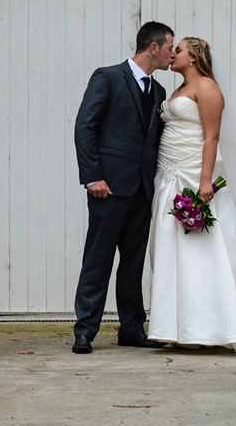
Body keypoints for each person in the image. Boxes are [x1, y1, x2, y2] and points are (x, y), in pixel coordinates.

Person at [148, 37, 236, 351]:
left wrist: (205, 180)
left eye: (178, 49)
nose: (172, 54)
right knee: (173, 248)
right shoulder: (176, 90)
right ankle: (179, 325)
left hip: (193, 174)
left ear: (193, 57)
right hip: (169, 172)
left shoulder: (206, 87)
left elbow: (211, 136)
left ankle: (216, 325)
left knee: (205, 248)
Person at [72, 21, 175, 354]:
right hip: (108, 187)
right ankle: (85, 330)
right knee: (98, 259)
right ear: (153, 47)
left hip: (142, 191)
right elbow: (85, 126)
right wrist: (92, 176)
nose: (173, 54)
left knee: (133, 263)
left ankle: (131, 328)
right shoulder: (108, 77)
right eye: (170, 47)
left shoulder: (158, 92)